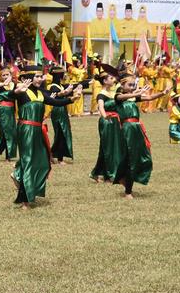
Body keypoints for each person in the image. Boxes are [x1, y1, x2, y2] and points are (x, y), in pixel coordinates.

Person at [11, 67, 81, 208]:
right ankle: (25, 200)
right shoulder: (22, 92)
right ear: (26, 78)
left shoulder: (40, 93)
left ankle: (18, 175)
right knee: (29, 161)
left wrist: (71, 99)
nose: (41, 79)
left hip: (37, 129)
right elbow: (8, 95)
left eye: (41, 76)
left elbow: (54, 102)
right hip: (26, 130)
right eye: (37, 76)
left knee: (43, 161)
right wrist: (15, 91)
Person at [114, 74, 168, 199]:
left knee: (137, 156)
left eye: (134, 84)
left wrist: (163, 93)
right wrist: (136, 93)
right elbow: (123, 96)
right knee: (130, 158)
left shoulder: (133, 98)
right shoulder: (118, 97)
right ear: (122, 85)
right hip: (127, 129)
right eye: (130, 85)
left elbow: (149, 97)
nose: (132, 87)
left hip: (137, 128)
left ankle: (123, 179)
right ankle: (128, 191)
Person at [90, 64, 121, 183]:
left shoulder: (113, 93)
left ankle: (98, 173)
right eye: (111, 78)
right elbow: (101, 107)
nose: (114, 80)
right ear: (104, 81)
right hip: (107, 122)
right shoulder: (101, 94)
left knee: (111, 147)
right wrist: (105, 116)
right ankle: (109, 175)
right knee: (107, 147)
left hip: (114, 121)